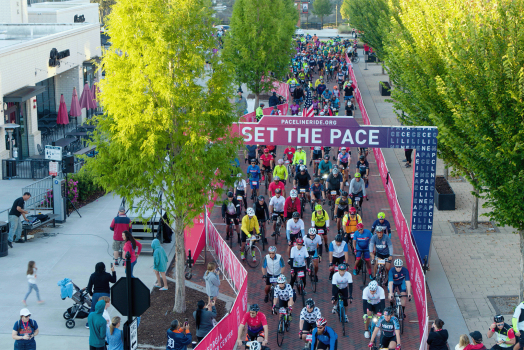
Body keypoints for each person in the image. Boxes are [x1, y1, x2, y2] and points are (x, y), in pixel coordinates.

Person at [85, 262, 116, 328]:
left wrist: (91, 294)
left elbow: (89, 287)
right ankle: (102, 322)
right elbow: (114, 280)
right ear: (104, 268)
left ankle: (89, 324)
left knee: (93, 309)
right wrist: (113, 271)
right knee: (103, 309)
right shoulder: (107, 275)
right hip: (105, 294)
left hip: (96, 294)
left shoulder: (93, 275)